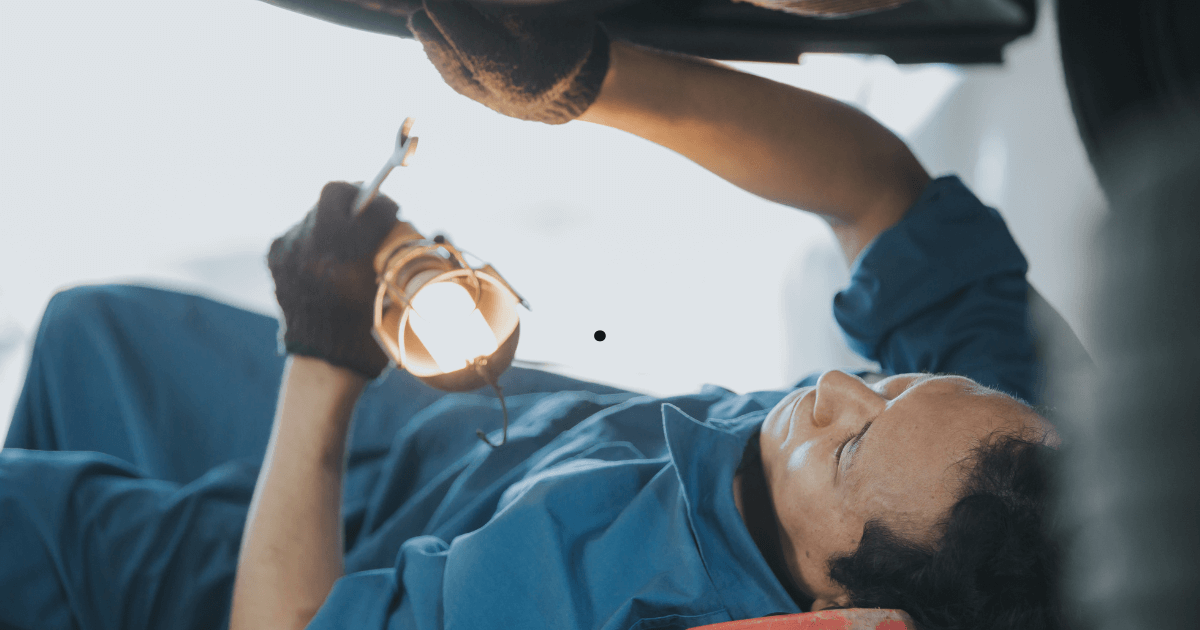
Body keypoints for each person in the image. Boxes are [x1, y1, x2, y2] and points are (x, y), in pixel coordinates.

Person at [0, 2, 1064, 630]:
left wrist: (322, 363)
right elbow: (879, 192)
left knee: (27, 522)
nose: (834, 387)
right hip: (436, 439)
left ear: (845, 613)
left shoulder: (595, 601)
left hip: (334, 567)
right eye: (889, 383)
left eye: (848, 446)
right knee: (85, 331)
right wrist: (586, 82)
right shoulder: (1006, 459)